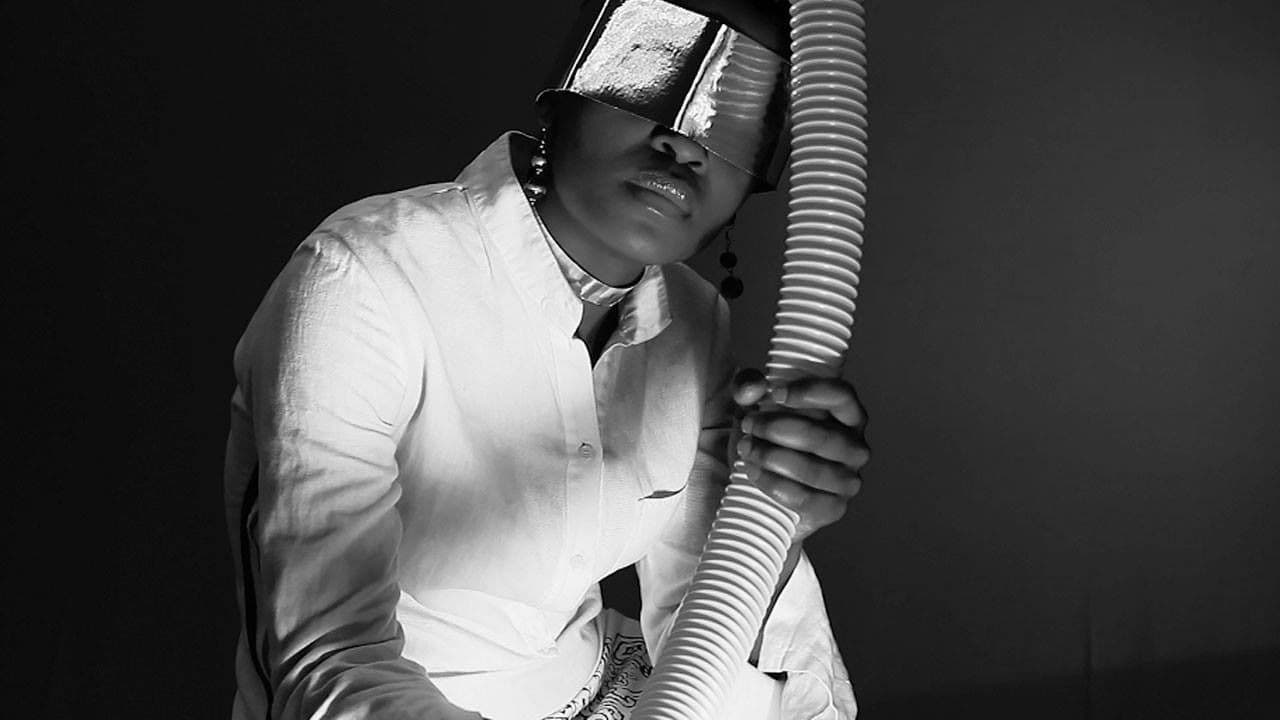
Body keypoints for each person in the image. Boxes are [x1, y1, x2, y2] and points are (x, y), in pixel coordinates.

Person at [223, 1, 868, 718]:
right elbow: (330, 665)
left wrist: (773, 519)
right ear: (563, 97)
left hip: (605, 689)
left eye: (741, 109)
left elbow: (703, 625)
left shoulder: (696, 322)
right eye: (655, 59)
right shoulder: (366, 274)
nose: (686, 143)